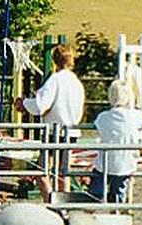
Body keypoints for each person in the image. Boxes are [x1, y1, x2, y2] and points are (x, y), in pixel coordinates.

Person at [16, 44, 85, 201]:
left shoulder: (55, 80)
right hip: (71, 131)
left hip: (54, 132)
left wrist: (25, 104)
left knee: (41, 172)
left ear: (55, 61)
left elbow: (41, 105)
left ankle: (51, 202)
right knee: (63, 174)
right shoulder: (76, 83)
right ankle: (64, 206)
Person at [88, 79, 142, 202]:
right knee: (118, 195)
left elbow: (97, 125)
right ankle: (117, 211)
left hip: (104, 164)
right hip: (125, 164)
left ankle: (90, 208)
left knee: (94, 196)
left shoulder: (103, 116)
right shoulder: (135, 115)